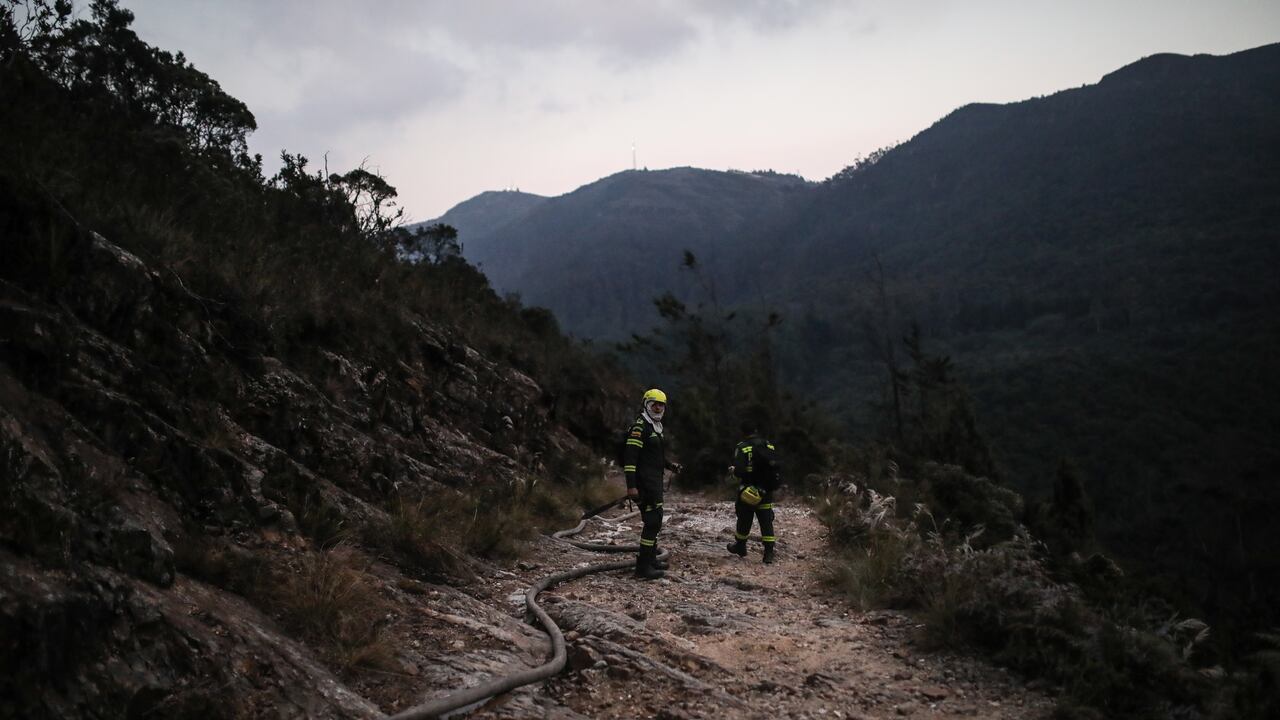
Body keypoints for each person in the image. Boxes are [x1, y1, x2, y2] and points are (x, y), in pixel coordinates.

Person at [623, 388, 680, 580]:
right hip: (644, 484)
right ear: (646, 404)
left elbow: (655, 456)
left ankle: (650, 559)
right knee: (652, 522)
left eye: (661, 404)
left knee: (655, 521)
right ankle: (643, 568)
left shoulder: (655, 427)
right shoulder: (640, 428)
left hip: (654, 483)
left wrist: (671, 466)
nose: (657, 407)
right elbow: (630, 459)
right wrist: (631, 486)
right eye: (654, 404)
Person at [726, 419, 781, 564]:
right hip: (766, 489)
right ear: (756, 431)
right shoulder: (768, 445)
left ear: (743, 432)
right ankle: (768, 553)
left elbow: (739, 471)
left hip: (748, 490)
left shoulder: (742, 447)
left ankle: (740, 546)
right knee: (766, 521)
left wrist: (733, 471)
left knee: (744, 518)